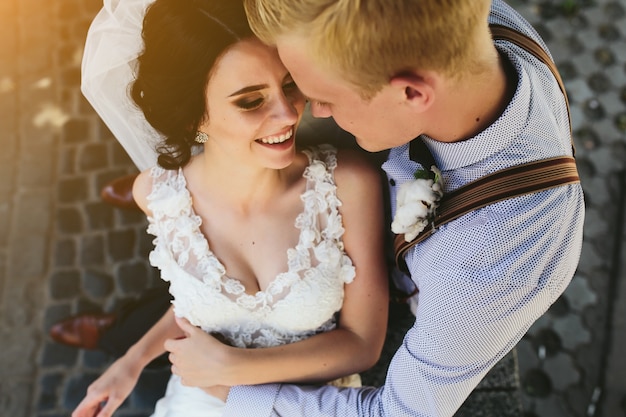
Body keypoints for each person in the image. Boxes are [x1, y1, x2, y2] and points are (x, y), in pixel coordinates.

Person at [168, 0, 584, 415]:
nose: (315, 113)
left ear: (411, 93)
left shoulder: (483, 275)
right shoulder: (468, 22)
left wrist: (233, 389)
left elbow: (397, 412)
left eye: (325, 96)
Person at [71, 0, 390, 416]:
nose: (288, 112)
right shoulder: (157, 195)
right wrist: (131, 362)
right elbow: (194, 303)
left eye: (289, 83)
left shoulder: (349, 184)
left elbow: (362, 345)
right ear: (194, 118)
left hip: (312, 405)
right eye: (249, 101)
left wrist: (236, 367)